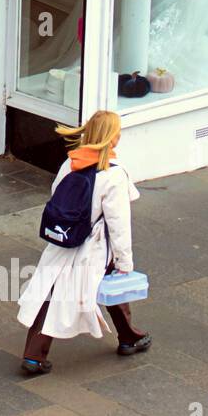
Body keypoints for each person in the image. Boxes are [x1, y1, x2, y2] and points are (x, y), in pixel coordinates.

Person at [16, 110, 151, 374]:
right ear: (112, 138)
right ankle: (127, 337)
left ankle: (34, 354)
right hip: (95, 247)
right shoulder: (114, 174)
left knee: (51, 292)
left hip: (64, 240)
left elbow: (57, 195)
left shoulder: (71, 162)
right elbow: (119, 225)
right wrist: (125, 260)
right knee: (113, 284)